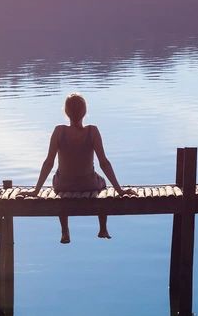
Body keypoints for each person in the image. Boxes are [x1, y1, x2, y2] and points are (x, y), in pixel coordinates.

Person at [27, 92, 135, 243]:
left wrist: (36, 190)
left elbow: (48, 163)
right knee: (103, 183)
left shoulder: (59, 131)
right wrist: (120, 190)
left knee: (58, 184)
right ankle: (103, 227)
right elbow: (104, 163)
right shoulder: (92, 131)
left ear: (66, 112)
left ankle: (65, 231)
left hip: (63, 185)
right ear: (85, 112)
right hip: (89, 183)